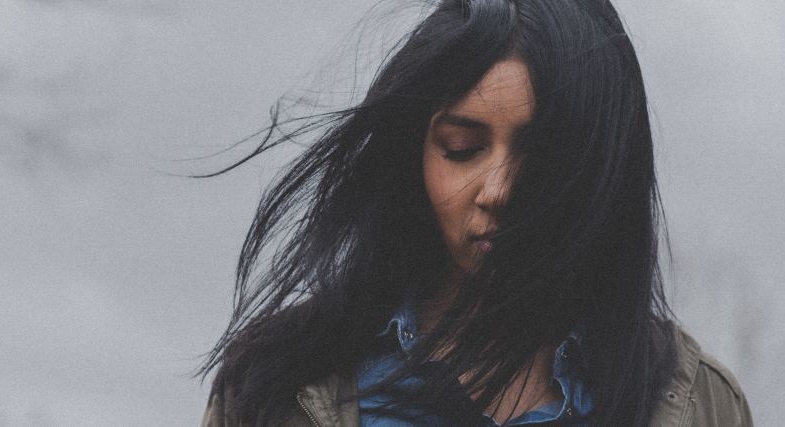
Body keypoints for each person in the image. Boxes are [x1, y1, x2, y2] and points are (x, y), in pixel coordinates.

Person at [199, 0, 752, 425]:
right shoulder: (277, 387)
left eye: (544, 156)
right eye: (462, 147)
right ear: (413, 152)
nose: (498, 190)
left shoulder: (697, 404)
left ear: (604, 167)